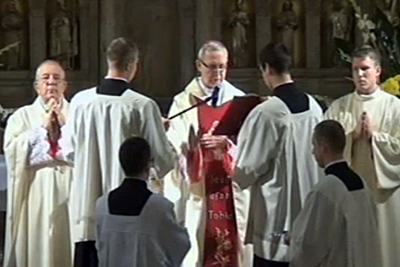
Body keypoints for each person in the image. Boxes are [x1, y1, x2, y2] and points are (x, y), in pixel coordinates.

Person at [63, 37, 175, 267]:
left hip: (88, 207)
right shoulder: (142, 105)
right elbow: (162, 160)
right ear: (133, 64)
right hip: (129, 213)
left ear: (108, 61)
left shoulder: (80, 102)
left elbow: (68, 151)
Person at [234, 43, 323, 267]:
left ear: (267, 69)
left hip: (277, 216)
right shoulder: (314, 107)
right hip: (310, 209)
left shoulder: (267, 113)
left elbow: (246, 169)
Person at [164, 40, 252, 267]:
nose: (218, 73)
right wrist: (192, 147)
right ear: (199, 66)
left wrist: (229, 145)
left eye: (222, 66)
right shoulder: (184, 101)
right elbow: (174, 144)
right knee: (199, 245)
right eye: (212, 67)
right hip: (200, 187)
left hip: (229, 184)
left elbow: (251, 145)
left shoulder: (238, 100)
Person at [325, 45, 400, 267]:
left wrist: (376, 138)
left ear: (378, 71)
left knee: (384, 250)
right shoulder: (339, 107)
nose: (359, 75)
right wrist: (351, 137)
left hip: (383, 197)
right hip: (348, 195)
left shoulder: (395, 107)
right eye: (355, 69)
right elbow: (324, 146)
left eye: (365, 69)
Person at [3, 60, 73, 267]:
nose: (51, 83)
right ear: (36, 86)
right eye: (46, 78)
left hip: (70, 189)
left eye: (57, 78)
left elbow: (85, 148)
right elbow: (12, 151)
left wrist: (64, 125)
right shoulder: (21, 116)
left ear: (64, 85)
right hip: (35, 190)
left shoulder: (77, 115)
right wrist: (41, 130)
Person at [290, 120, 379, 266]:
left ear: (323, 148)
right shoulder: (361, 183)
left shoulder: (325, 189)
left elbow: (310, 244)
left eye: (314, 145)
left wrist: (293, 239)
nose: (313, 151)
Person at [95, 136, 190, 267]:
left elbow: (100, 248)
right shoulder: (159, 206)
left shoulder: (101, 205)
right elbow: (179, 245)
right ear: (148, 165)